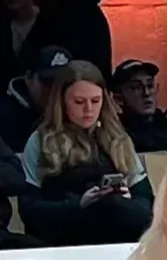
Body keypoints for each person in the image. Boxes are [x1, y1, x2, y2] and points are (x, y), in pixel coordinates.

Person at [18, 60, 154, 246]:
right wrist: (78, 204)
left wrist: (125, 199)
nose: (88, 109)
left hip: (119, 237)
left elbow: (146, 203)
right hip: (65, 241)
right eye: (79, 102)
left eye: (95, 101)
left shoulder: (118, 139)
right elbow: (28, 209)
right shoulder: (40, 141)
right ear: (62, 101)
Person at [0, 45, 70, 152]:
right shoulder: (4, 116)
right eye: (48, 83)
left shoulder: (80, 113)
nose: (55, 89)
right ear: (28, 78)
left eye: (63, 83)